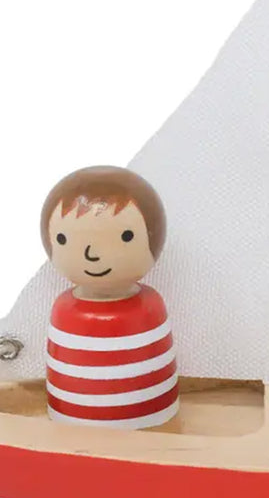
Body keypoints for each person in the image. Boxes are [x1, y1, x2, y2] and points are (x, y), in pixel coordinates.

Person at [40, 166, 179, 429]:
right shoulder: (65, 310)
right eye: (63, 238)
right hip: (70, 434)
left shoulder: (150, 306)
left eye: (127, 236)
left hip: (155, 432)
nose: (92, 254)